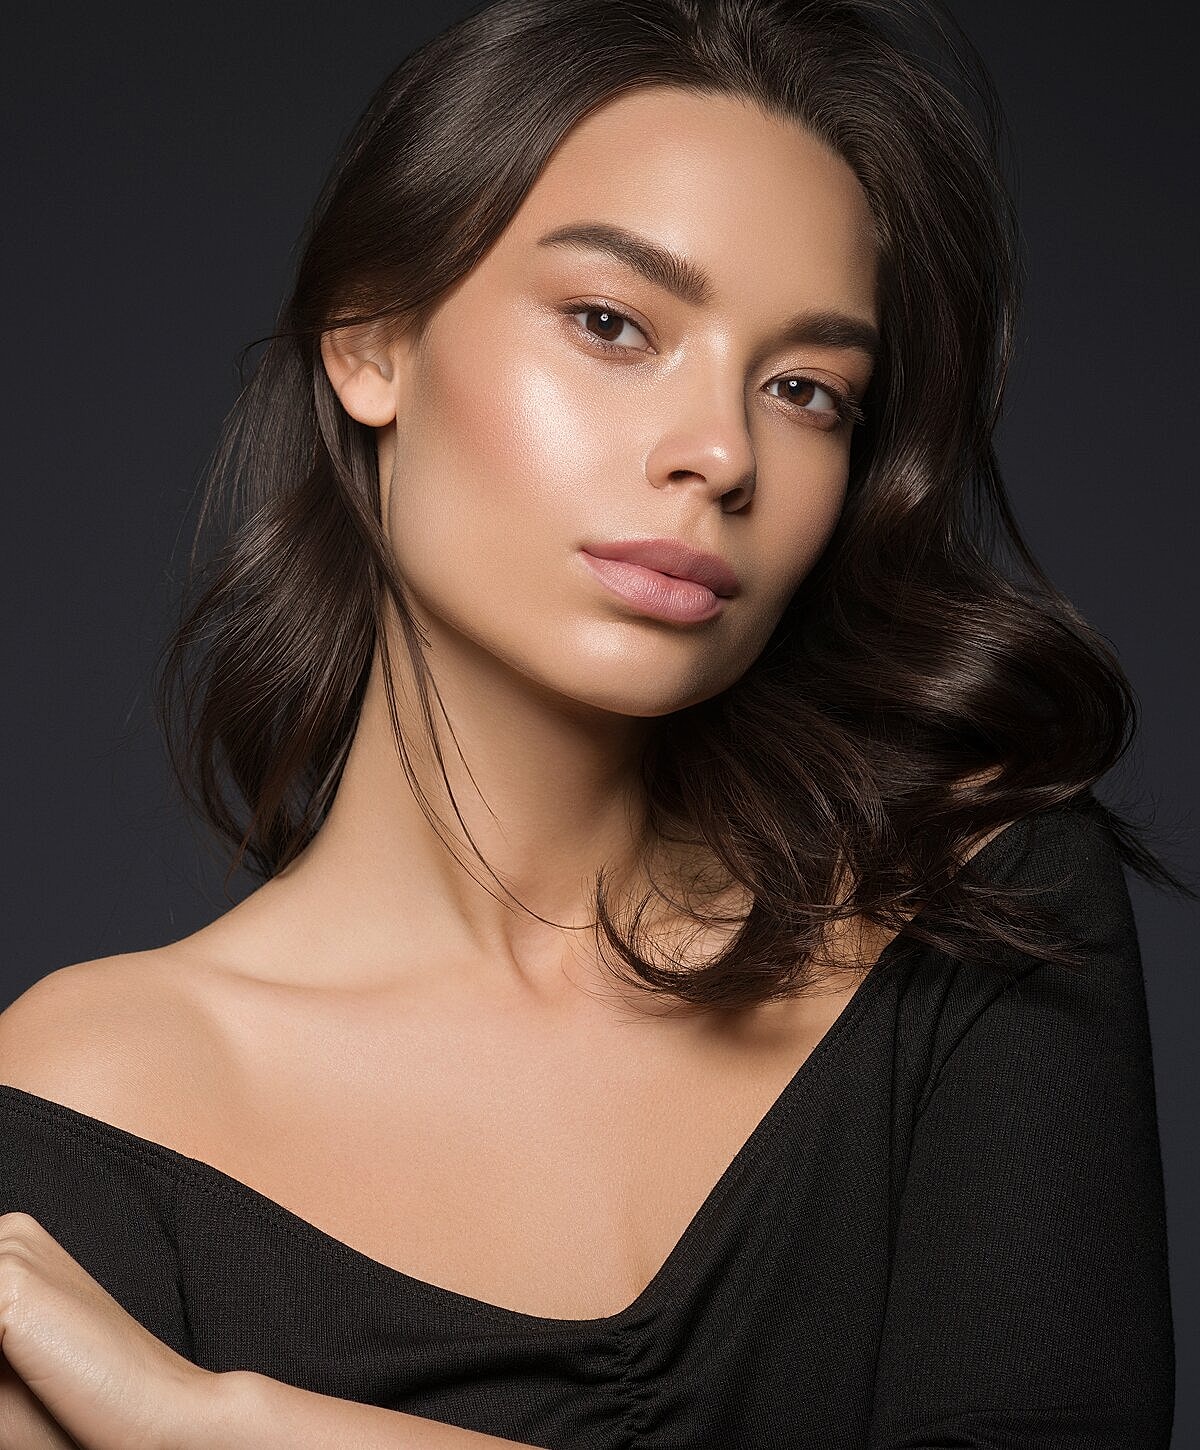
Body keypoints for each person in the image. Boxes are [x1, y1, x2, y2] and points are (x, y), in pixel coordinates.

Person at [0, 0, 1185, 1446]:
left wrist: (225, 1426)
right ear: (369, 337)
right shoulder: (87, 1095)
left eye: (807, 388)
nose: (723, 452)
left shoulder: (976, 899)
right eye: (614, 323)